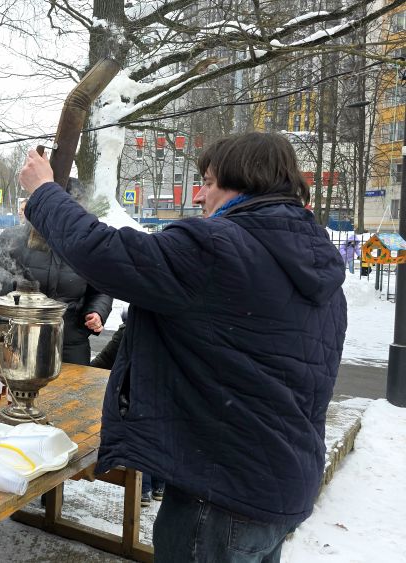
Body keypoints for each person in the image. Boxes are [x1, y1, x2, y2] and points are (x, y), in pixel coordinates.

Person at [18, 132, 347, 563]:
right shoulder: (311, 261)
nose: (199, 194)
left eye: (209, 181)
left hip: (220, 494)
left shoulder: (219, 248)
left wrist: (45, 193)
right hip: (280, 485)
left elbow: (106, 254)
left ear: (244, 182)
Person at [0, 179, 112, 365]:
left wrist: (97, 312)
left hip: (70, 342)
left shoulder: (86, 244)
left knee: (71, 393)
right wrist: (16, 288)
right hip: (20, 339)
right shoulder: (14, 238)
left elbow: (101, 288)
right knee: (19, 391)